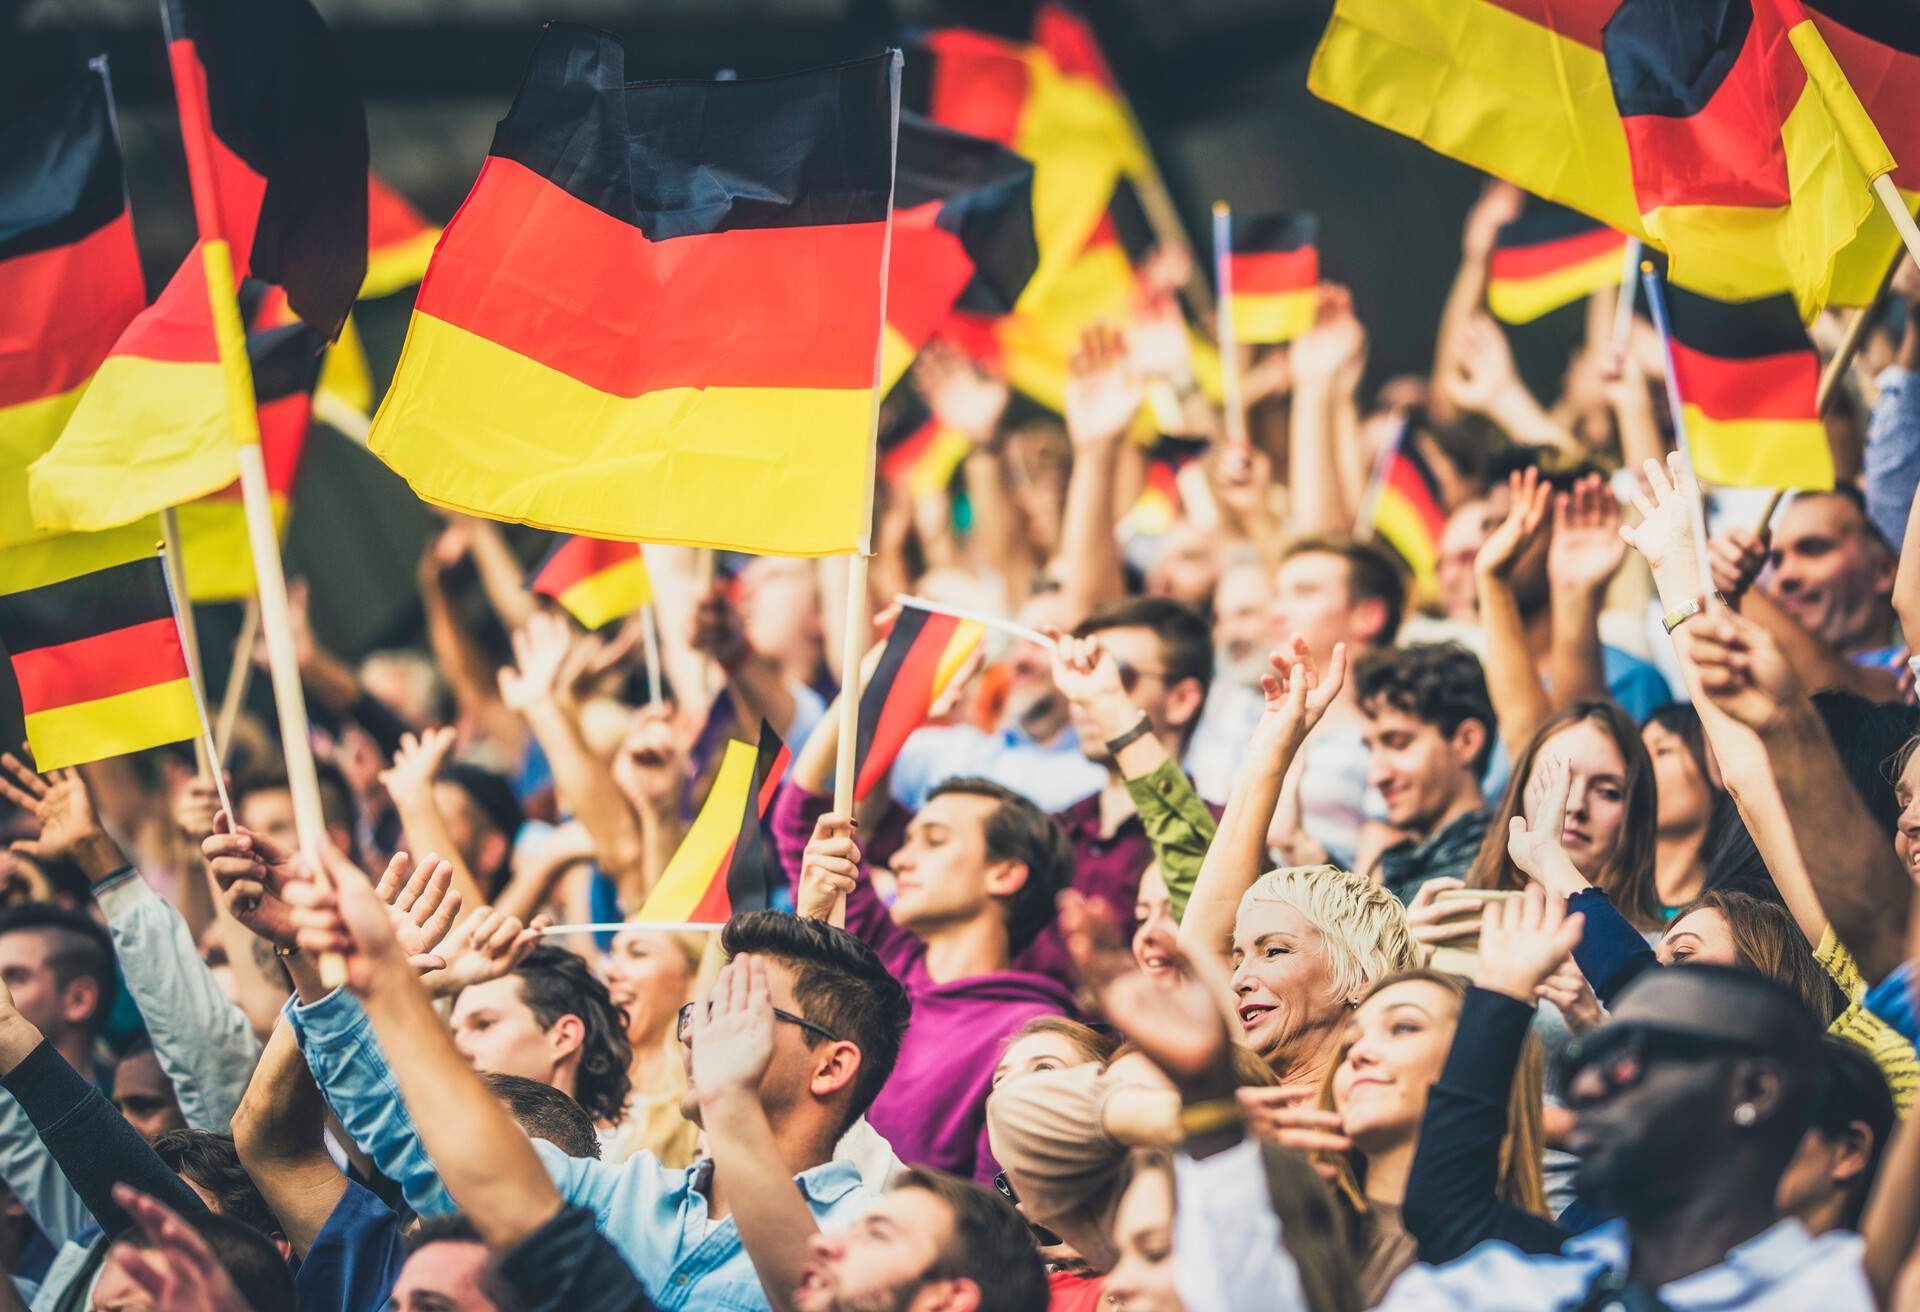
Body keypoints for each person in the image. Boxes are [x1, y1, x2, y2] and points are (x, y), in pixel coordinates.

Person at [795, 782, 1076, 1181]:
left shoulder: (1033, 1036)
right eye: (906, 841)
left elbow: (1001, 1207)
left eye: (934, 841)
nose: (899, 860)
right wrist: (809, 919)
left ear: (1005, 873)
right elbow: (802, 817)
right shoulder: (879, 962)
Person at [1177, 639, 1420, 1087]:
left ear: (1362, 974)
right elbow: (1198, 949)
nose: (1239, 980)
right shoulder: (1244, 1086)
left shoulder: (1396, 1098)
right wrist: (1268, 752)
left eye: (1273, 951)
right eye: (1237, 959)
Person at [1310, 970, 1548, 1301]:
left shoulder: (1538, 1267)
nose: (1357, 1053)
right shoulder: (1294, 1226)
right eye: (1350, 1041)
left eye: (1403, 1027)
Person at [1267, 536, 1406, 870]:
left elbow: (1375, 891)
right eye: (1277, 595)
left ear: (1368, 616)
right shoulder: (1256, 715)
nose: (1276, 612)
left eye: (1304, 592)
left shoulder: (1394, 731)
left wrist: (1299, 846)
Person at [1462, 702, 1661, 930]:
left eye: (1608, 792)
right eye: (1553, 781)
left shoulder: (1657, 954)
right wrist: (1414, 952)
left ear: (1637, 816)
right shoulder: (1451, 917)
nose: (1575, 805)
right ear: (1519, 790)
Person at [1352, 643, 1497, 903]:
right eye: (1370, 748)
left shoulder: (1482, 877)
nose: (1377, 776)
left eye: (1398, 743)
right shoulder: (1406, 862)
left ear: (1466, 742)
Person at [448, 945, 634, 1129]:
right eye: (453, 1033)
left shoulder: (628, 1155)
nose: (456, 1049)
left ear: (564, 1037)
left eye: (484, 1024)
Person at [599, 926, 706, 1167]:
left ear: (693, 978)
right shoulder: (578, 1076)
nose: (609, 971)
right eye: (612, 954)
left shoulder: (705, 1107)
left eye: (637, 953)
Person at [1764, 489, 1901, 669]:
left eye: (1813, 549)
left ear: (1884, 570)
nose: (1785, 576)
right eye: (1777, 561)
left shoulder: (1908, 678)